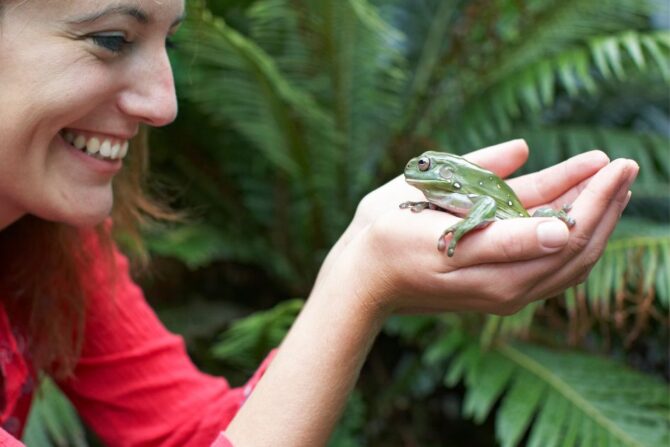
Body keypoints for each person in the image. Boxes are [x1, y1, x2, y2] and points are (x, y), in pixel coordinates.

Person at [0, 0, 638, 446]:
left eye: (168, 42)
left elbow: (194, 434)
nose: (164, 104)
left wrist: (366, 264)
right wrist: (359, 284)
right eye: (112, 39)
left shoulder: (57, 240)